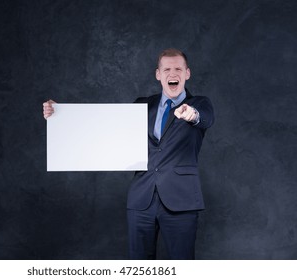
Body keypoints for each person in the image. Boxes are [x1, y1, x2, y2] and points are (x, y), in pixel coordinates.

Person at [43, 48, 214, 260]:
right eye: (167, 69)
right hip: (141, 201)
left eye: (178, 68)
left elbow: (205, 118)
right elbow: (105, 128)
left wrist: (191, 114)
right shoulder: (142, 105)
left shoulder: (199, 104)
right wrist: (60, 113)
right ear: (158, 74)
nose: (173, 73)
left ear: (187, 73)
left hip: (181, 202)